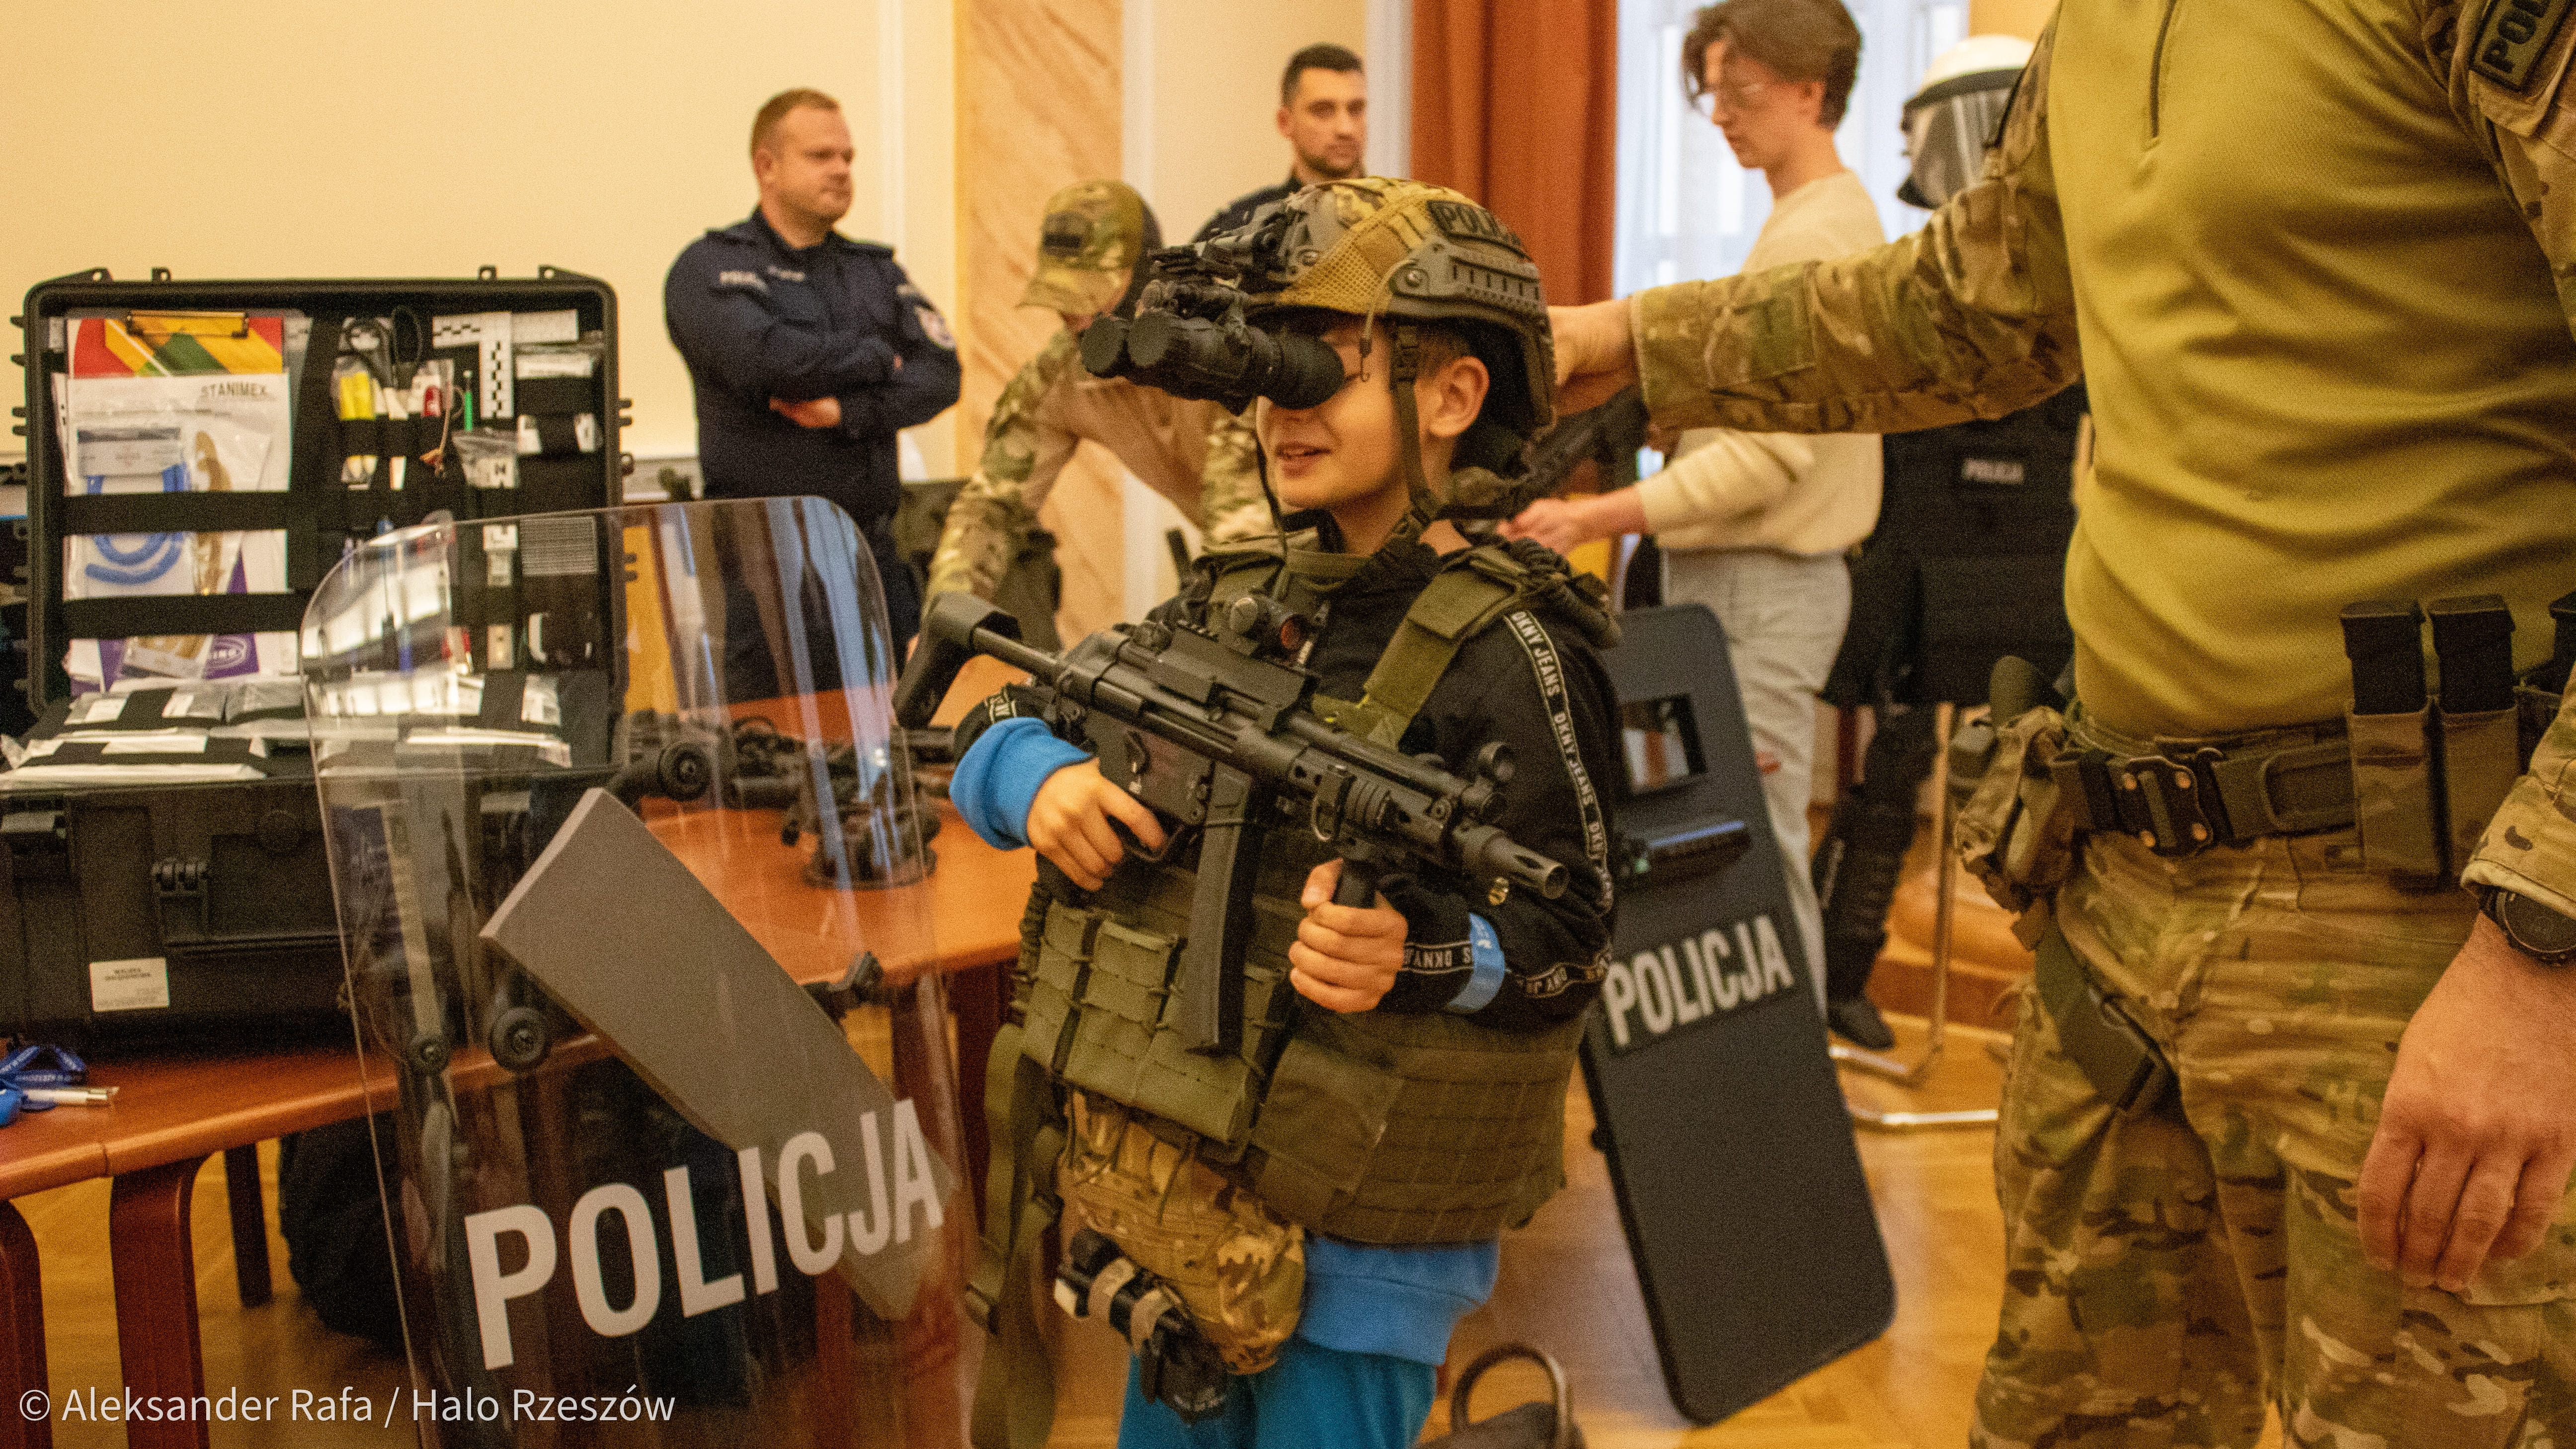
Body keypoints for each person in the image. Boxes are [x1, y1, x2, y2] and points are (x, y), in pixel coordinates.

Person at [1549, 0, 2576, 1443]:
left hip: (2428, 920)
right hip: (2122, 888)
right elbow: (1972, 308)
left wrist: (2542, 961)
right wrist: (1625, 340)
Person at [951, 179, 1618, 1449]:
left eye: (1325, 365)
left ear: (1452, 395)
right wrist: (1034, 780)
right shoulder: (1234, 598)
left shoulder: (1512, 649)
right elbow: (998, 717)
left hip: (1360, 1251)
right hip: (1173, 1209)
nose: (1281, 408)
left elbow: (1572, 943)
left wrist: (1425, 954)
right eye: (1266, 372)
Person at [1503, 0, 1884, 1020]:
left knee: (1756, 845)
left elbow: (1770, 458)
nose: (1719, 114)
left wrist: (1593, 518)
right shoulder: (1800, 222)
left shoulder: (1819, 232)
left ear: (1808, 88)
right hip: (1742, 585)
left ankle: (1788, 1081)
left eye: (1739, 90)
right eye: (1709, 92)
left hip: (1765, 588)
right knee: (1721, 838)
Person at [1803, 34, 2085, 1052]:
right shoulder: (1911, 284)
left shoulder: (2073, 283)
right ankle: (1836, 970)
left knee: (2041, 780)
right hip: (1911, 567)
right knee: (1893, 779)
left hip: (2029, 568)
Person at [665, 87, 961, 647]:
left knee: (895, 703)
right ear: (767, 167)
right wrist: (878, 357)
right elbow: (765, 362)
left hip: (870, 556)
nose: (842, 170)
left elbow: (941, 375)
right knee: (774, 707)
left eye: (848, 157)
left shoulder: (874, 271)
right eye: (821, 156)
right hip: (763, 567)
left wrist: (849, 412)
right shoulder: (712, 268)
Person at [925, 179, 1271, 644]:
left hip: (1324, 557)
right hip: (1239, 566)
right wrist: (944, 627)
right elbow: (992, 508)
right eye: (1064, 297)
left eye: (1094, 294)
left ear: (1147, 275)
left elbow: (1243, 534)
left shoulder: (1223, 344)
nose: (1078, 317)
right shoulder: (1060, 372)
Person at [1192, 43, 1368, 242]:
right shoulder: (1237, 232)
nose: (1346, 129)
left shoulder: (1397, 220)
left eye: (1356, 109)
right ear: (1285, 122)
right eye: (1323, 111)